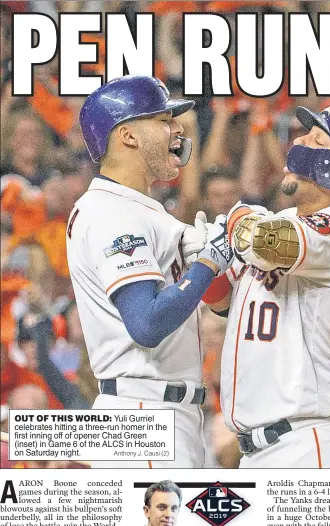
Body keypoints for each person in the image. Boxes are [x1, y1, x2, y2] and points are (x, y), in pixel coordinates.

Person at [205, 102, 330, 468]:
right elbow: (224, 302)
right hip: (266, 447)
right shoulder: (287, 220)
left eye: (315, 138)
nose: (299, 139)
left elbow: (263, 241)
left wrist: (240, 215)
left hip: (312, 442)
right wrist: (206, 260)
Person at [66, 75, 233, 468]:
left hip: (163, 413)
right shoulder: (111, 213)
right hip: (143, 415)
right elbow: (146, 323)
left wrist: (209, 269)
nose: (178, 130)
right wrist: (208, 263)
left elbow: (217, 304)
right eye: (164, 120)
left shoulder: (140, 209)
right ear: (128, 136)